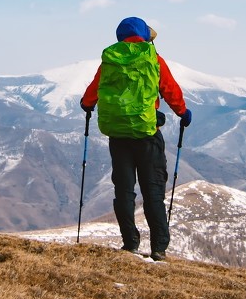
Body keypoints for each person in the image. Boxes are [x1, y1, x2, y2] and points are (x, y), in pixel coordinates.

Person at [80, 17, 192, 261]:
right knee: (153, 191)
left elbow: (94, 91)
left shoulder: (110, 60)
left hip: (118, 136)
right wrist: (183, 112)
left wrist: (86, 104)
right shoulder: (154, 59)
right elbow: (170, 89)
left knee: (123, 190)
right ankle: (159, 248)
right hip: (147, 135)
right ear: (144, 34)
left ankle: (130, 243)